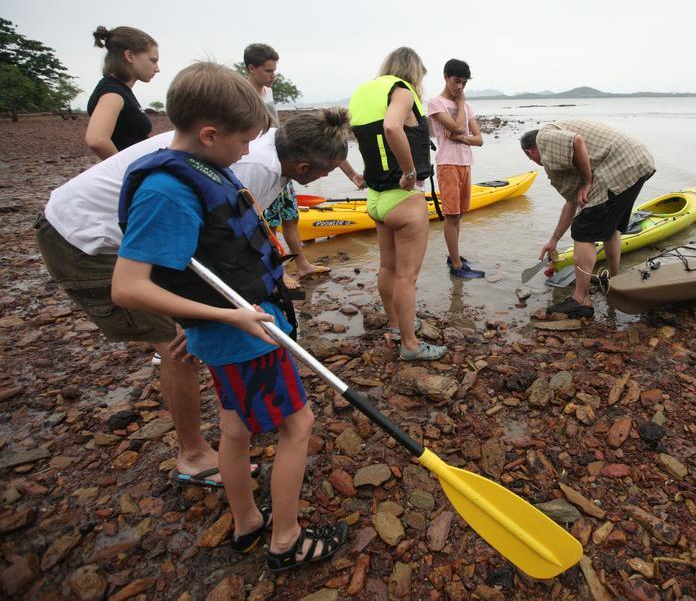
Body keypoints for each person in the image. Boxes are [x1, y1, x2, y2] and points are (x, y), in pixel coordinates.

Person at [37, 100, 358, 491]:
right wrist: (209, 317)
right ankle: (192, 454)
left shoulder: (270, 147)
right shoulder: (250, 166)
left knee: (193, 336)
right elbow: (215, 250)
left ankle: (228, 429)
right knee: (176, 342)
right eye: (325, 173)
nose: (243, 146)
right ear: (304, 168)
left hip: (137, 231)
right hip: (84, 238)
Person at [111, 61, 347, 570]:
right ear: (210, 132)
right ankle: (286, 538)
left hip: (235, 330)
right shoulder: (166, 189)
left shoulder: (199, 167)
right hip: (243, 334)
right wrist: (226, 317)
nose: (247, 152)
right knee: (297, 425)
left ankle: (246, 522)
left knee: (236, 427)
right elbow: (128, 287)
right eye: (243, 141)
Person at [348, 47, 447, 361]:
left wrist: (351, 173)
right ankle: (410, 344)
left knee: (387, 267)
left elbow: (351, 133)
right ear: (414, 71)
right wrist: (409, 172)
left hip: (376, 199)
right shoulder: (401, 91)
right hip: (403, 199)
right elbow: (392, 127)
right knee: (407, 276)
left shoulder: (365, 93)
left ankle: (394, 325)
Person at [521, 121, 656, 318]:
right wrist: (554, 240)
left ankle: (581, 300)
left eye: (531, 158)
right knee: (611, 228)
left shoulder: (544, 137)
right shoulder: (566, 155)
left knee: (583, 230)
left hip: (619, 165)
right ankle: (614, 279)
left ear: (530, 152)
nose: (536, 162)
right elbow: (571, 203)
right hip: (637, 162)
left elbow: (576, 141)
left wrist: (587, 181)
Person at [243, 42, 328, 284]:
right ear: (251, 68)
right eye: (268, 71)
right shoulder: (242, 94)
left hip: (282, 159)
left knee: (291, 216)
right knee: (264, 220)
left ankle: (301, 264)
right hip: (261, 162)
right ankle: (278, 272)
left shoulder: (267, 93)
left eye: (275, 70)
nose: (273, 76)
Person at [427, 59, 485, 279]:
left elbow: (479, 140)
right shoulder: (436, 103)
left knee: (459, 214)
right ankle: (456, 264)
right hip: (447, 163)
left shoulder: (468, 106)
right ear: (445, 77)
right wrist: (460, 104)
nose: (460, 87)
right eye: (456, 81)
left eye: (464, 83)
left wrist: (462, 140)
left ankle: (455, 256)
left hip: (465, 163)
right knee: (451, 215)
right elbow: (459, 126)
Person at [85, 26, 160, 159]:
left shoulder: (121, 90)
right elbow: (96, 140)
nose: (157, 69)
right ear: (129, 56)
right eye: (153, 60)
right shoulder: (113, 93)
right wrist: (125, 170)